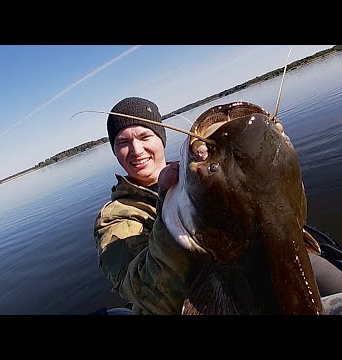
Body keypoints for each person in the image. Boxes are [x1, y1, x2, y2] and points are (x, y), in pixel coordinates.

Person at [93, 96, 342, 315]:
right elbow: (149, 293)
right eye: (123, 142)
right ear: (115, 152)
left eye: (145, 136)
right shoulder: (116, 217)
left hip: (269, 263)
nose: (136, 149)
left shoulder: (198, 171)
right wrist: (166, 198)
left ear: (161, 140)